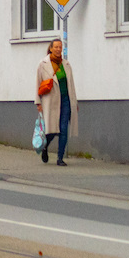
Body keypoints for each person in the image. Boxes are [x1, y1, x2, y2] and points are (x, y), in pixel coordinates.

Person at [35, 38, 78, 166]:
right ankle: (44, 147)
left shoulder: (66, 65)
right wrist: (38, 102)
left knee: (63, 129)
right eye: (56, 47)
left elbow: (71, 85)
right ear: (51, 48)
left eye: (60, 47)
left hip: (65, 100)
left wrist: (74, 102)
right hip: (51, 101)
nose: (59, 49)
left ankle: (60, 158)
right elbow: (37, 83)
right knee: (52, 130)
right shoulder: (43, 64)